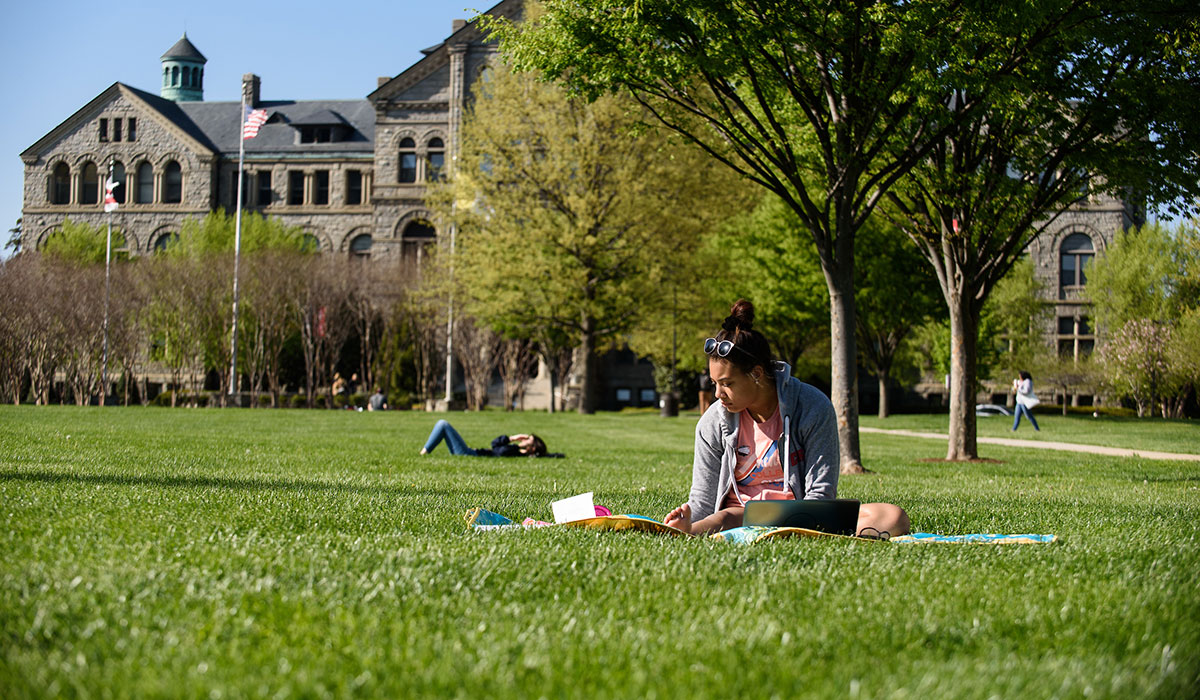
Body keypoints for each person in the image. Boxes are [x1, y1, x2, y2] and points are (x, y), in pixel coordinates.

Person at [663, 300, 910, 538]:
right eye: (715, 383)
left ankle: (796, 534)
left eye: (727, 384)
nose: (718, 394)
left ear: (757, 374)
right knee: (720, 520)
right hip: (737, 516)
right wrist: (689, 517)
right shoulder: (713, 422)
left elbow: (821, 492)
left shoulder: (812, 407)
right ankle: (692, 533)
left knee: (892, 516)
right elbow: (704, 500)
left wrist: (805, 523)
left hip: (800, 516)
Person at [419, 419, 551, 457]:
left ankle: (424, 453)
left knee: (443, 424)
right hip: (470, 452)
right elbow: (494, 443)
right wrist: (512, 439)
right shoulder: (515, 450)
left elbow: (497, 448)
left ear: (532, 448)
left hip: (469, 454)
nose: (524, 439)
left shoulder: (515, 452)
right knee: (443, 426)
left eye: (528, 439)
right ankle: (424, 452)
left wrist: (514, 440)